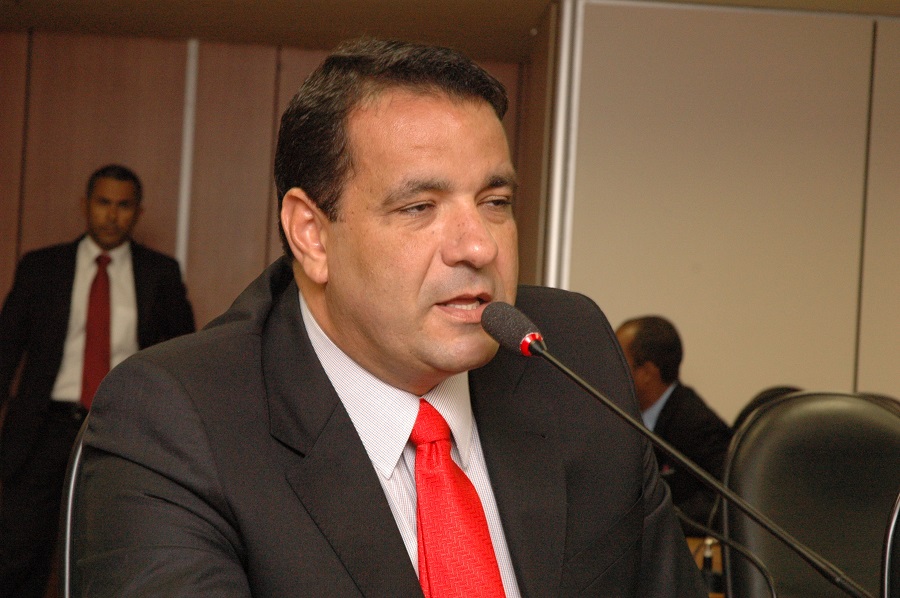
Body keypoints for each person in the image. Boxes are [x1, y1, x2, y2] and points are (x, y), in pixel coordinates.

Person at [74, 39, 705, 596]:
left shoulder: (569, 353)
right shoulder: (178, 419)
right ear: (311, 234)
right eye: (419, 207)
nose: (478, 246)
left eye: (495, 201)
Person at [0, 164, 195, 598]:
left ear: (138, 212)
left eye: (123, 205)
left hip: (123, 430)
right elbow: (6, 350)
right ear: (85, 205)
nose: (112, 215)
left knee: (112, 552)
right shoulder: (42, 268)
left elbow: (182, 355)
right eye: (103, 203)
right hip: (42, 431)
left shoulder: (159, 273)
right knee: (18, 556)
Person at [615, 316, 733, 536]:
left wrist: (660, 522)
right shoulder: (622, 418)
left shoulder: (697, 423)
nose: (610, 373)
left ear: (647, 373)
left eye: (618, 363)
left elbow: (726, 497)